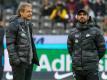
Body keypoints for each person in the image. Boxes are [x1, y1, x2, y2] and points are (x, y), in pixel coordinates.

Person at [67, 9, 106, 80]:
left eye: (84, 15)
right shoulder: (72, 33)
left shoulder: (96, 31)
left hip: (91, 68)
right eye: (80, 15)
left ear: (88, 17)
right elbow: (70, 49)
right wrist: (76, 59)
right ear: (77, 17)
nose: (82, 16)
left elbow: (102, 48)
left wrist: (94, 59)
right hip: (77, 68)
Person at [6, 2, 39, 80]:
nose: (30, 13)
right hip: (19, 63)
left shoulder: (29, 25)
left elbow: (31, 43)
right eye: (28, 11)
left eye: (31, 11)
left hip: (29, 62)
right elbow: (10, 44)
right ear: (21, 12)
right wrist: (16, 61)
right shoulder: (13, 25)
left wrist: (33, 58)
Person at [0, 8, 5, 80]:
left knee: (2, 68)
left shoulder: (1, 30)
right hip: (0, 53)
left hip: (1, 53)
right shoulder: (1, 30)